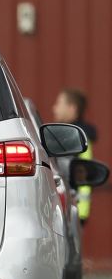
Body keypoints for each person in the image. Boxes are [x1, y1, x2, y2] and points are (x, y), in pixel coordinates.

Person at [52, 87, 98, 223]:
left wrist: (80, 212)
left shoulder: (78, 139)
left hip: (72, 212)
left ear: (72, 108)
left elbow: (84, 176)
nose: (54, 108)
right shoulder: (66, 136)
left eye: (59, 103)